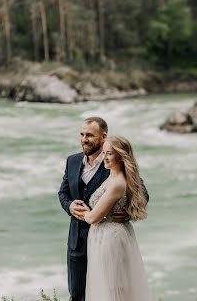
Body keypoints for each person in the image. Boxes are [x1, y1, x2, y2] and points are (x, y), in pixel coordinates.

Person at [58, 117, 148, 301]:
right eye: (82, 135)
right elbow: (63, 193)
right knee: (77, 295)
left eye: (90, 135)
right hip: (77, 241)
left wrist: (128, 213)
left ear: (103, 137)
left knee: (110, 290)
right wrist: (69, 206)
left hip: (107, 242)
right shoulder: (72, 161)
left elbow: (142, 193)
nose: (84, 139)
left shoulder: (113, 162)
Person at [79, 136, 151, 301]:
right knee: (109, 285)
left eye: (109, 154)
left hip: (110, 238)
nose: (104, 158)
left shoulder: (117, 182)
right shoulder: (111, 176)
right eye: (104, 153)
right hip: (103, 236)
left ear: (121, 156)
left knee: (113, 287)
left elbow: (94, 218)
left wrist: (83, 212)